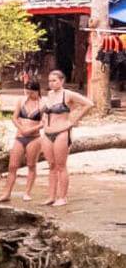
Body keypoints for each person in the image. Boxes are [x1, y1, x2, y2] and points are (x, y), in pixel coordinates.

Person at [39, 69, 93, 206]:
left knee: (60, 166)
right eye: (50, 81)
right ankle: (51, 196)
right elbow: (46, 111)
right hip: (47, 132)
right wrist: (44, 120)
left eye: (54, 80)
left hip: (62, 132)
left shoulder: (67, 94)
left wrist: (73, 121)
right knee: (51, 165)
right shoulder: (50, 94)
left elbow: (88, 104)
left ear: (62, 81)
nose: (51, 83)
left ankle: (62, 197)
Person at [0, 82, 45, 202]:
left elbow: (43, 123)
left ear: (37, 91)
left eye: (32, 92)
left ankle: (27, 192)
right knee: (13, 166)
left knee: (31, 165)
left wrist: (30, 130)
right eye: (27, 92)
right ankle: (6, 193)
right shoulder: (21, 101)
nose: (29, 94)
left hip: (34, 137)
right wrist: (21, 128)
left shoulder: (43, 104)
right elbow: (14, 117)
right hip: (19, 136)